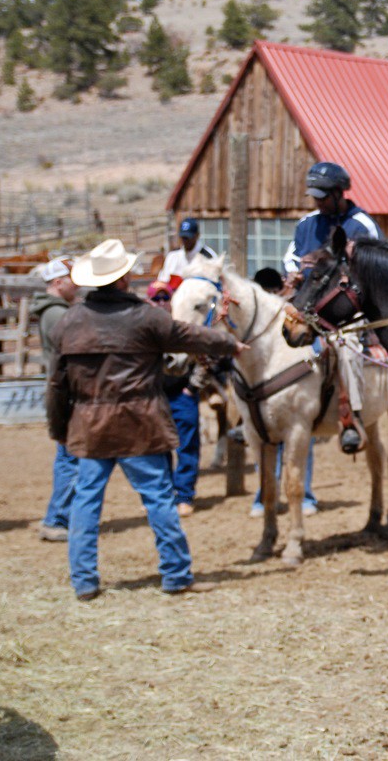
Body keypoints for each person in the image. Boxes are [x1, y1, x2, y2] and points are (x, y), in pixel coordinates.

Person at [48, 239, 243, 600]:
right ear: (124, 278)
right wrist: (228, 344)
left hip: (90, 426)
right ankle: (176, 575)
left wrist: (60, 429)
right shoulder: (146, 316)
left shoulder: (69, 322)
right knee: (159, 500)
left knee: (86, 502)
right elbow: (189, 336)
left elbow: (57, 385)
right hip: (139, 423)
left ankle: (84, 581)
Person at [282, 161, 380, 454]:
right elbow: (291, 257)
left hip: (346, 312)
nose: (318, 201)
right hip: (306, 302)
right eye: (315, 196)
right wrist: (295, 271)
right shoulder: (307, 223)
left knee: (348, 347)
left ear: (339, 193)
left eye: (323, 196)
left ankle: (352, 418)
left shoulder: (362, 225)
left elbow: (377, 269)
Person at [246, 268, 319, 517]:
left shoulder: (291, 310)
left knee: (299, 442)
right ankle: (264, 496)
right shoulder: (257, 319)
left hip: (291, 387)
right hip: (263, 390)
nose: (269, 296)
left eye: (272, 291)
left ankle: (306, 494)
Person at [29, 258, 79, 541]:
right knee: (70, 457)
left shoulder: (53, 311)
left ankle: (59, 516)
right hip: (67, 391)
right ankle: (58, 518)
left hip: (61, 389)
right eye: (72, 279)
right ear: (59, 282)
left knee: (67, 455)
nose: (77, 284)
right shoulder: (58, 314)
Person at [147, 281, 206, 519]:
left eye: (165, 298)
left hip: (182, 393)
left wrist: (193, 387)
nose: (161, 303)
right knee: (157, 447)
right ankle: (162, 494)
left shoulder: (182, 328)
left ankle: (183, 495)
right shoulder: (144, 330)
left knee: (187, 445)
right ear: (150, 301)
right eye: (156, 299)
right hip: (154, 395)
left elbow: (203, 358)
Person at [157, 218, 217, 289]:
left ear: (197, 235)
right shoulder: (173, 256)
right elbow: (162, 282)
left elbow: (214, 285)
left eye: (188, 237)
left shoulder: (208, 256)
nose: (185, 241)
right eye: (183, 237)